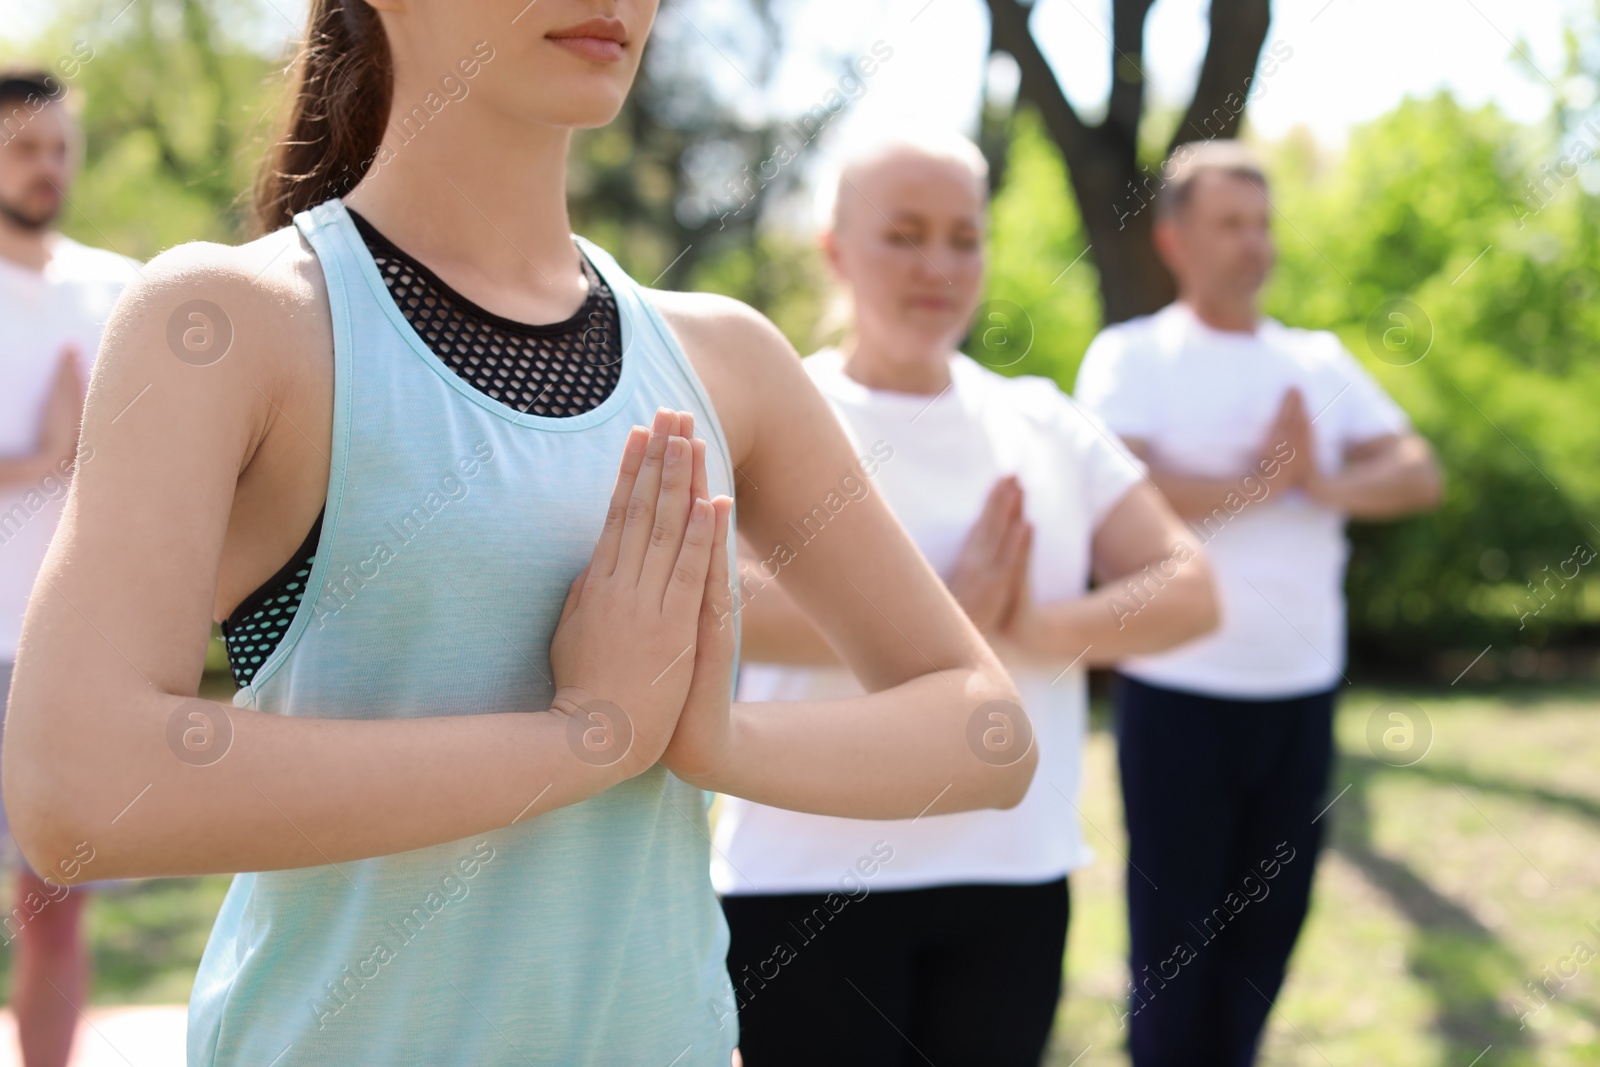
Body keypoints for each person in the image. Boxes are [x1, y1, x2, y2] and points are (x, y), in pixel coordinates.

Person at [1, 4, 1039, 1066]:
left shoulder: (729, 357)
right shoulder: (231, 323)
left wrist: (715, 741)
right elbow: (76, 788)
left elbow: (989, 730)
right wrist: (581, 737)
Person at [709, 133, 1219, 1067]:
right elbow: (712, 591)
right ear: (834, 249)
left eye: (963, 237)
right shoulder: (771, 413)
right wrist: (946, 616)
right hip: (802, 875)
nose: (938, 266)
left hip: (1008, 867)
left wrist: (1033, 626)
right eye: (903, 235)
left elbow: (1189, 589)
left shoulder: (1046, 421)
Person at [1073, 139, 1443, 1067]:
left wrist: (1321, 481)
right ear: (1175, 239)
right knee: (1174, 936)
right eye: (1230, 223)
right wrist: (1260, 478)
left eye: (1264, 222)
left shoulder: (1316, 360)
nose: (1254, 242)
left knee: (1271, 927)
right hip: (1177, 693)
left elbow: (1416, 470)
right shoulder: (1133, 355)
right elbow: (1115, 484)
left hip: (1301, 692)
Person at [0, 68, 138, 1067]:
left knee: (53, 910)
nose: (47, 169)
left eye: (59, 147)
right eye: (22, 149)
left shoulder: (122, 292)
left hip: (67, 652)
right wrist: (41, 460)